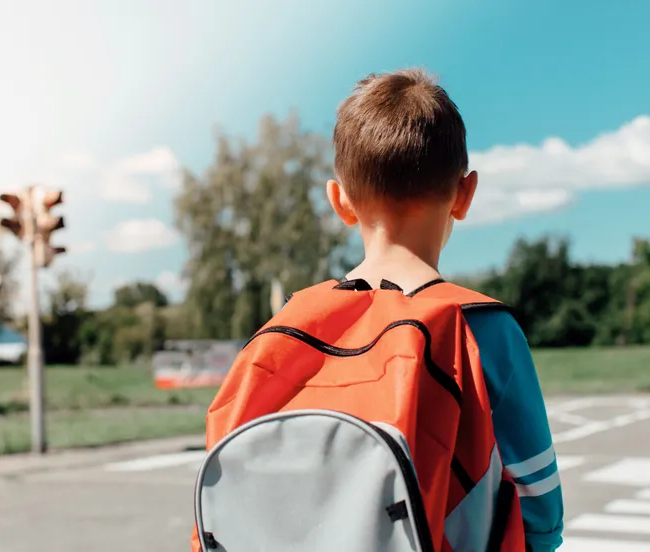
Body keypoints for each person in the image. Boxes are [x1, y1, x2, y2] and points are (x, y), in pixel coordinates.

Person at [192, 69, 563, 552]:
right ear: (465, 194)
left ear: (339, 201)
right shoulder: (482, 329)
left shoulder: (280, 332)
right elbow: (540, 512)